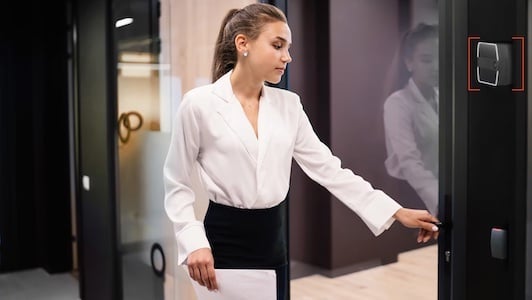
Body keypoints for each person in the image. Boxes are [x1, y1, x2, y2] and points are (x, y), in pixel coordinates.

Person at [163, 4, 439, 300]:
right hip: (221, 247)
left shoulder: (289, 105)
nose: (288, 57)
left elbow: (330, 171)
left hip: (272, 244)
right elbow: (177, 183)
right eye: (277, 45)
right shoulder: (199, 104)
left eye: (288, 47)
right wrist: (193, 241)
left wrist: (395, 211)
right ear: (243, 43)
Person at [383, 23, 440, 216]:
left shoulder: (443, 98)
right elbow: (409, 162)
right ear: (409, 62)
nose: (436, 67)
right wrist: (439, 200)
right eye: (427, 60)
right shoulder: (397, 104)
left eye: (441, 59)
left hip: (440, 191)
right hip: (411, 196)